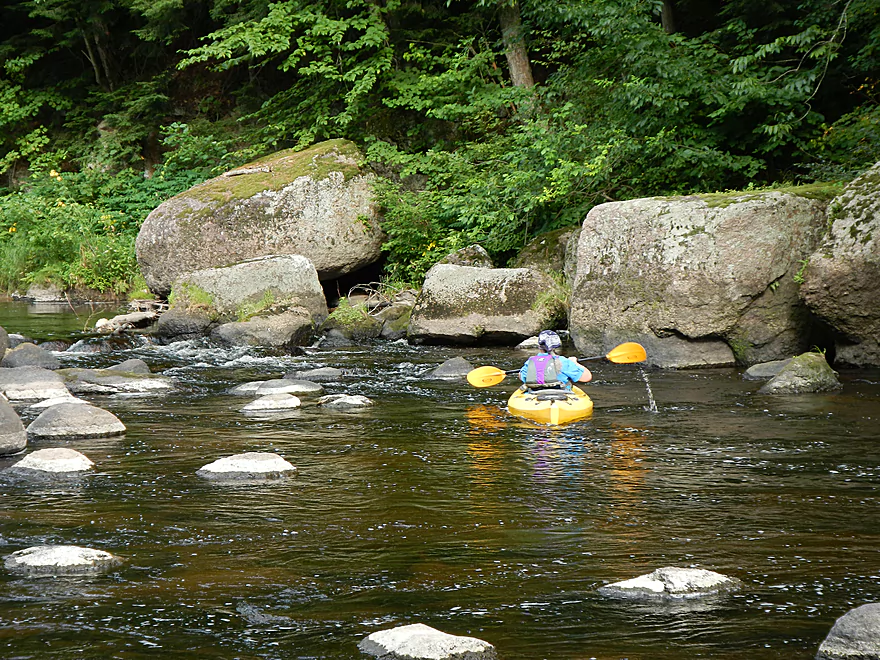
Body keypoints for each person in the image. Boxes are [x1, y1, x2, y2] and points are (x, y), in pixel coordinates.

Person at [519, 330, 592, 390]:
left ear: (539, 346)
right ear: (556, 346)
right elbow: (587, 377)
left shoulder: (530, 362)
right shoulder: (564, 362)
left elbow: (521, 376)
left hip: (535, 396)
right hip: (561, 396)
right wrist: (574, 362)